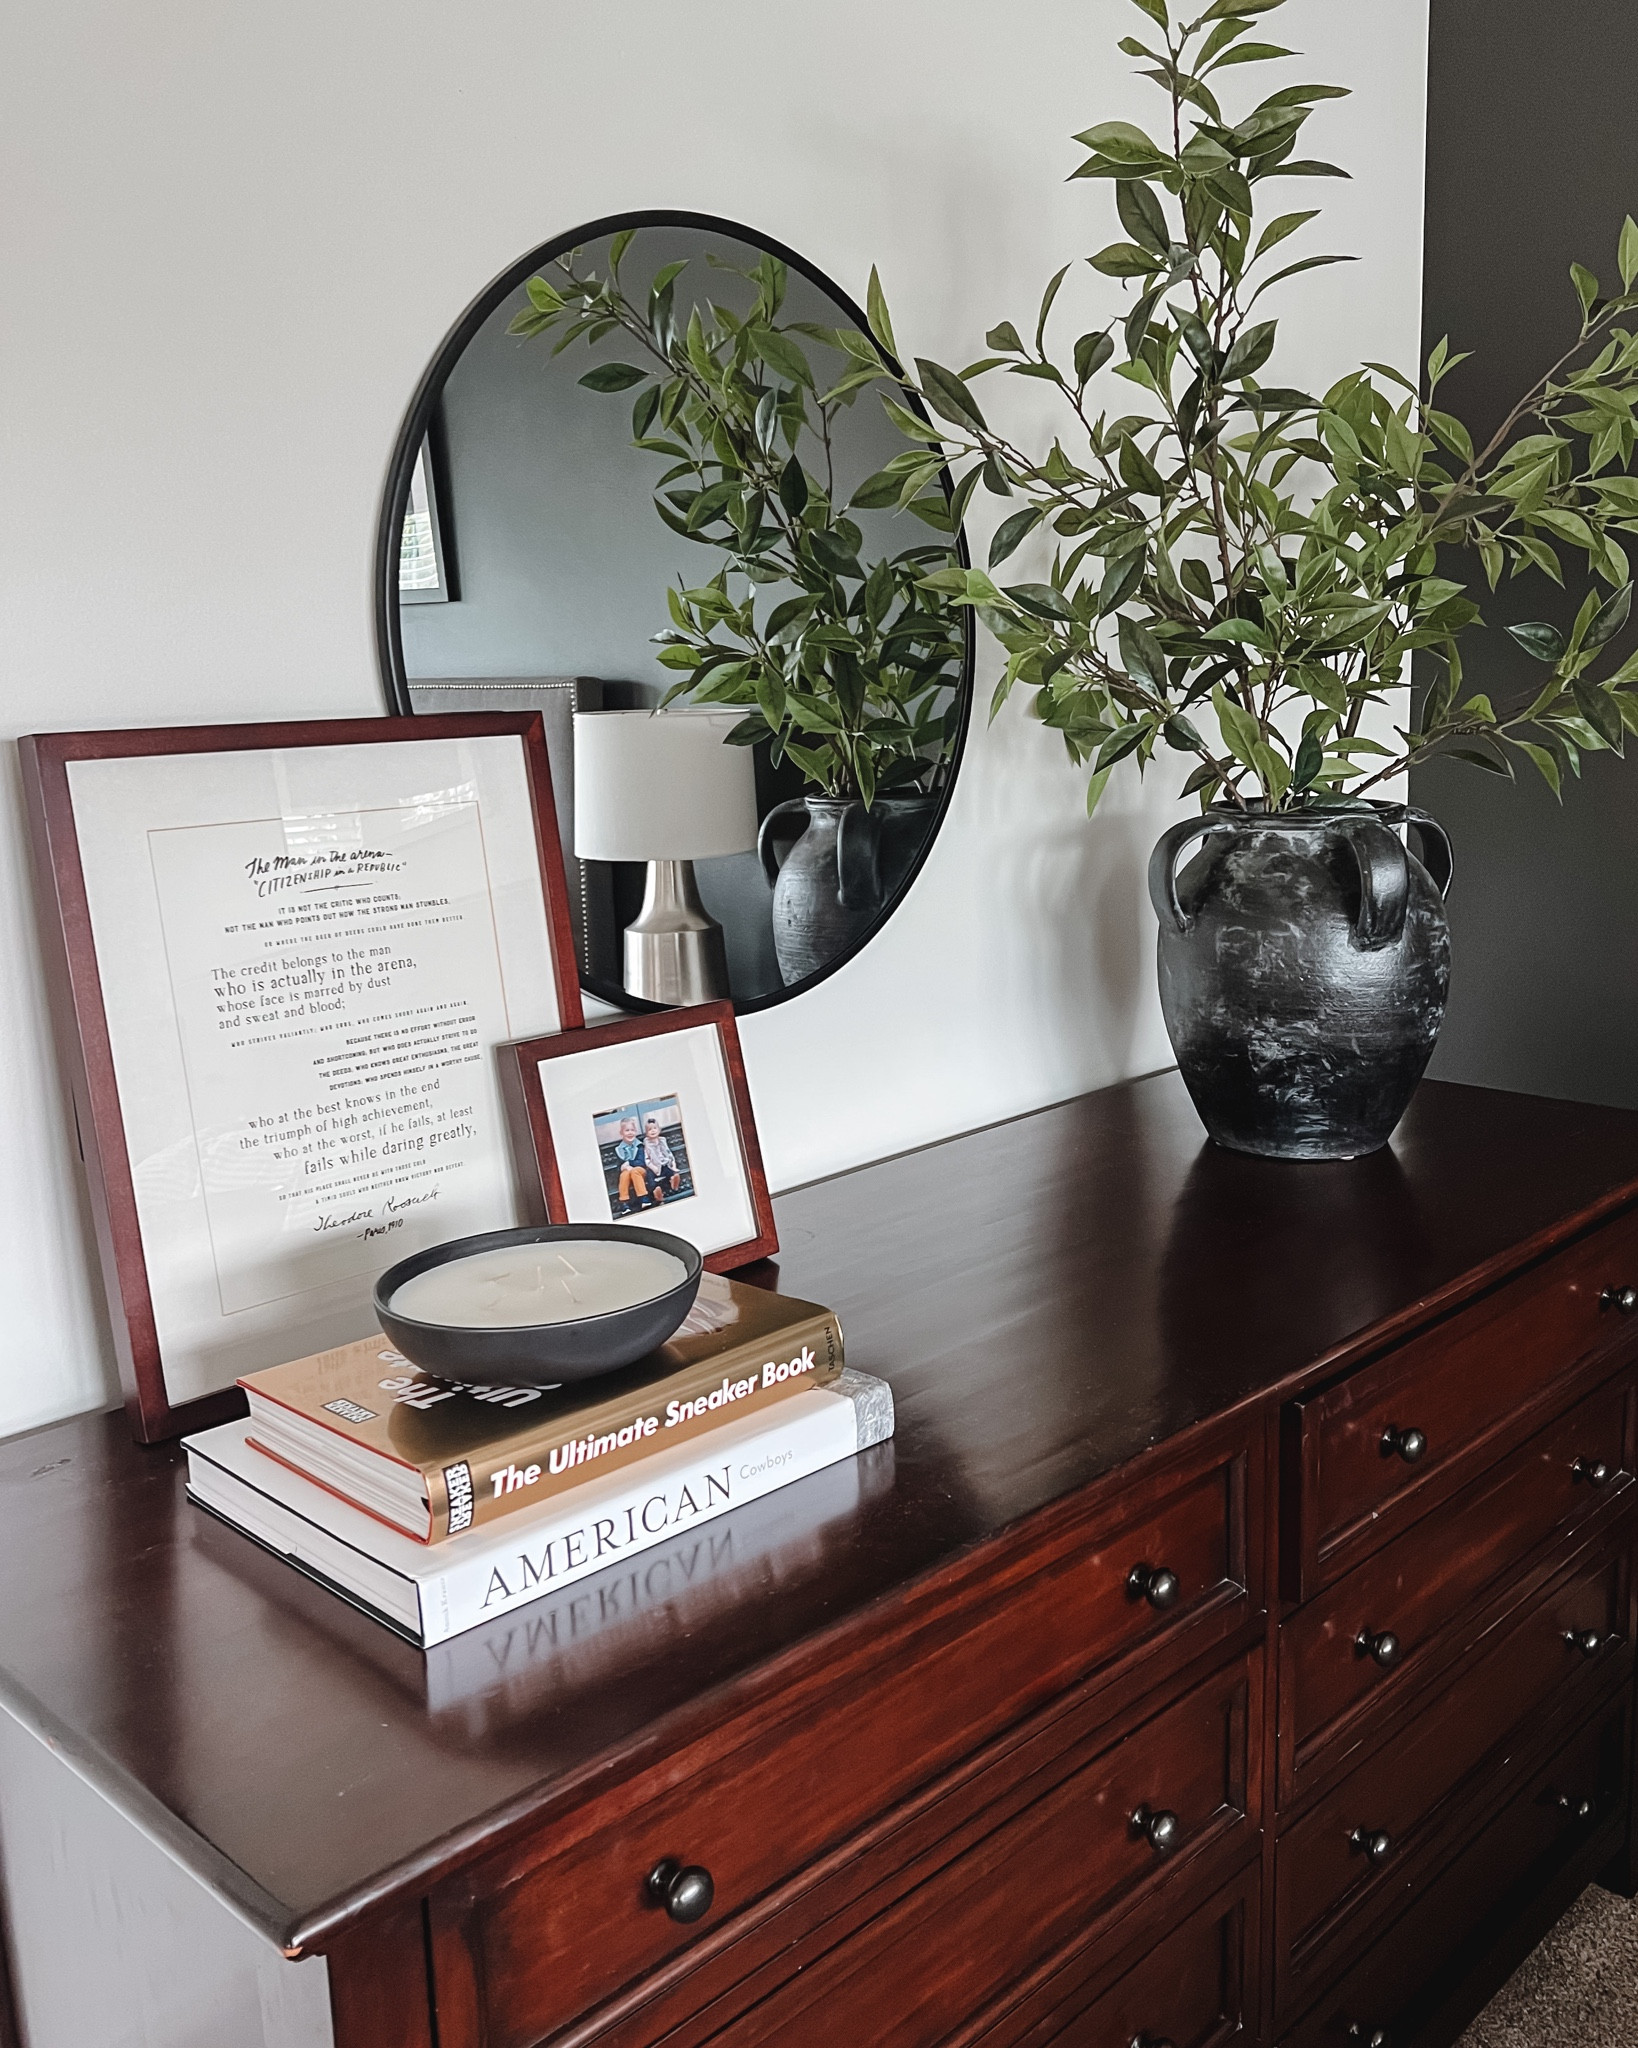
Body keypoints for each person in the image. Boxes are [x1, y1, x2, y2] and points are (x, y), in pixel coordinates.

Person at [643, 1113, 683, 1201]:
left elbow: (669, 1153)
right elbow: (647, 1159)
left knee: (670, 1172)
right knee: (650, 1178)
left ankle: (673, 1181)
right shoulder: (647, 1144)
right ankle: (657, 1192)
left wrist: (673, 1164)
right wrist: (653, 1167)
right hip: (655, 1167)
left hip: (664, 1164)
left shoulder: (662, 1141)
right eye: (650, 1129)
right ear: (646, 1133)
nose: (653, 1131)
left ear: (659, 1130)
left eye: (654, 1128)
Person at [613, 1116, 648, 1211]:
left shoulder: (639, 1146)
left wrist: (629, 1163)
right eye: (627, 1130)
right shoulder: (619, 1149)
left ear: (636, 1131)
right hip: (628, 1173)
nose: (630, 1133)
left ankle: (644, 1198)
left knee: (635, 1171)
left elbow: (641, 1162)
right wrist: (623, 1167)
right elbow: (619, 1166)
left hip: (640, 1171)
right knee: (624, 1175)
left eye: (632, 1130)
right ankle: (624, 1202)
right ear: (621, 1133)